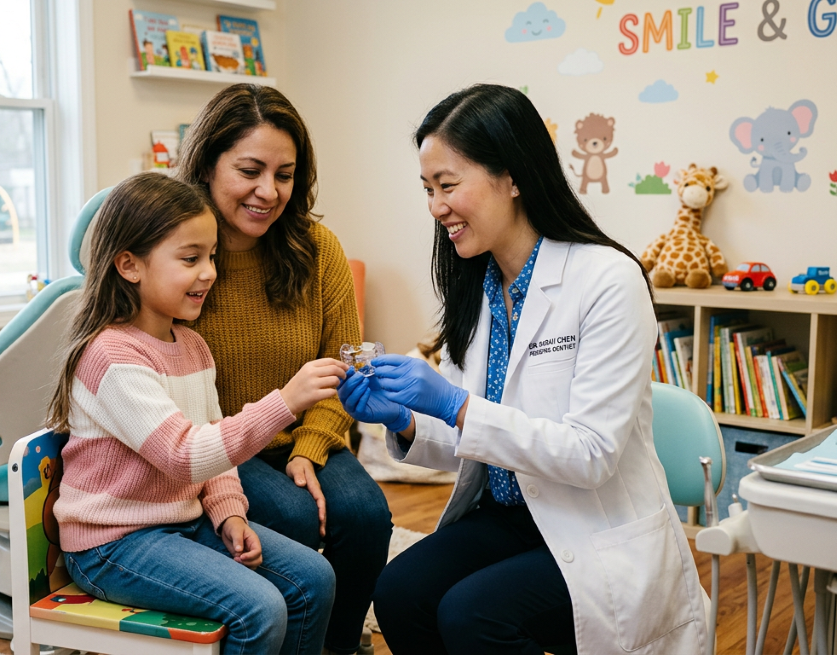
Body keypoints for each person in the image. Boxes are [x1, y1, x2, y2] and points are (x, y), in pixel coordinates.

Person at [339, 85, 709, 655]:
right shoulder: (480, 287)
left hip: (594, 525)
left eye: (448, 185)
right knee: (399, 591)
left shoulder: (607, 280)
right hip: (513, 514)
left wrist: (454, 404)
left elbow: (591, 454)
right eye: (428, 189)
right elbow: (470, 439)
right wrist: (407, 420)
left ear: (511, 178)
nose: (436, 207)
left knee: (472, 615)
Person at [46, 172, 347, 654]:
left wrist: (229, 514)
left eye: (211, 257)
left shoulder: (191, 345)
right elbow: (186, 455)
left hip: (180, 523)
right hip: (112, 545)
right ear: (129, 265)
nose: (208, 271)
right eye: (190, 259)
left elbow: (215, 457)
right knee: (260, 609)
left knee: (314, 577)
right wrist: (285, 402)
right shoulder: (112, 358)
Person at [177, 84, 393, 655]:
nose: (268, 192)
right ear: (205, 165)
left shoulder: (318, 248)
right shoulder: (177, 254)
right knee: (295, 518)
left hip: (299, 434)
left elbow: (343, 365)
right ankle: (286, 635)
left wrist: (310, 448)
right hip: (221, 448)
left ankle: (340, 643)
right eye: (249, 170)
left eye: (285, 174)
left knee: (367, 514)